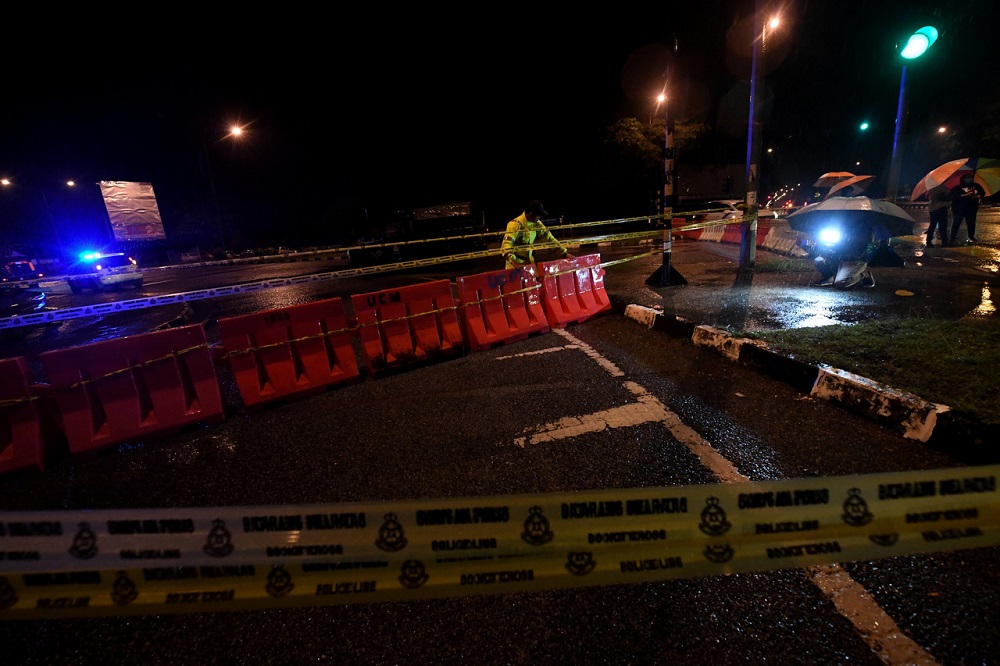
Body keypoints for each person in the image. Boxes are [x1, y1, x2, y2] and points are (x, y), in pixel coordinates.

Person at [501, 200, 573, 269]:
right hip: (514, 265)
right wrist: (513, 262)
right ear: (531, 214)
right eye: (538, 215)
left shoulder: (537, 224)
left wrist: (564, 253)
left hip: (529, 263)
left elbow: (549, 239)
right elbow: (506, 245)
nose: (539, 218)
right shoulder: (514, 224)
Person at [949, 172, 985, 244]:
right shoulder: (957, 188)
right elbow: (953, 197)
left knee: (971, 223)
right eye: (967, 178)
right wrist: (966, 195)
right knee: (956, 223)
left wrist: (978, 196)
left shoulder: (976, 186)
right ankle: (952, 238)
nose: (969, 179)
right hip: (959, 209)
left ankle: (971, 237)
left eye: (970, 177)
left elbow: (982, 193)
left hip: (972, 208)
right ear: (963, 179)